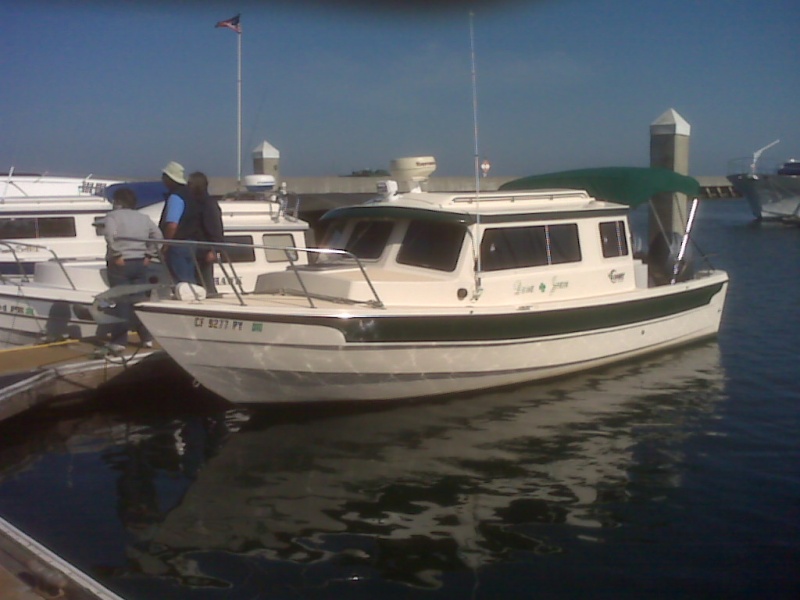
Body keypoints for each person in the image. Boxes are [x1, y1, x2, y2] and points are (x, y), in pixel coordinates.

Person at [103, 187, 163, 351]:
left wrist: (116, 254)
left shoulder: (112, 216)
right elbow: (158, 236)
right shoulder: (143, 217)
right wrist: (149, 255)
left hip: (120, 263)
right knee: (139, 301)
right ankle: (147, 338)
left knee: (121, 302)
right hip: (140, 262)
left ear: (118, 202)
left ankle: (118, 341)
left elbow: (109, 234)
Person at [158, 161, 201, 284]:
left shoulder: (176, 197)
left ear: (170, 179)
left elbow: (172, 224)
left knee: (180, 282)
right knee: (189, 280)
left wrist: (166, 245)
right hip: (192, 243)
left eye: (164, 176)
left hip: (178, 245)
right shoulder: (190, 195)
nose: (162, 180)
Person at [187, 171, 224, 295]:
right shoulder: (195, 203)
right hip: (196, 248)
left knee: (206, 282)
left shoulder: (208, 204)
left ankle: (212, 300)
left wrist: (214, 250)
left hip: (205, 249)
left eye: (190, 183)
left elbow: (216, 228)